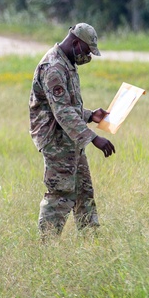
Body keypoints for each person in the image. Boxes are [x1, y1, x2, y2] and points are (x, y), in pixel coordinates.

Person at [29, 23, 116, 240]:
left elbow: (68, 105)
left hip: (70, 138)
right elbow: (62, 113)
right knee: (60, 193)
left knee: (83, 191)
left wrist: (89, 115)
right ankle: (47, 246)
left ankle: (91, 242)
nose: (87, 57)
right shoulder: (54, 68)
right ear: (76, 42)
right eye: (87, 51)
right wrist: (93, 138)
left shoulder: (67, 62)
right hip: (56, 140)